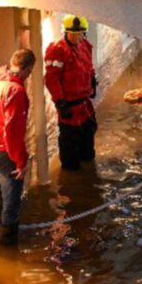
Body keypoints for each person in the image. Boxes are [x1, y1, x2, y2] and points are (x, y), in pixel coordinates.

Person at [0, 49, 36, 245]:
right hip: (3, 151)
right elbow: (13, 130)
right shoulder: (16, 91)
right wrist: (20, 162)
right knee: (11, 201)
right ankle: (8, 247)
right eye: (30, 72)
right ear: (28, 69)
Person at [45, 15, 98, 171]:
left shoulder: (85, 45)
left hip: (85, 104)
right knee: (70, 141)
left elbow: (89, 66)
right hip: (70, 106)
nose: (76, 37)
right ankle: (71, 174)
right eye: (73, 34)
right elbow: (51, 78)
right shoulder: (57, 50)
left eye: (79, 34)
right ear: (66, 32)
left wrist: (92, 82)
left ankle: (88, 167)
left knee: (89, 134)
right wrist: (60, 102)